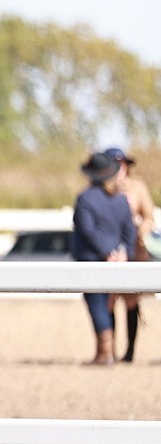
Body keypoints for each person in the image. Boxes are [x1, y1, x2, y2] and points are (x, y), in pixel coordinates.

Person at [72, 151, 136, 365]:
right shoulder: (120, 199)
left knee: (97, 303)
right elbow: (129, 230)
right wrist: (123, 252)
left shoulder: (85, 199)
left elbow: (88, 231)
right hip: (117, 261)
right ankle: (105, 351)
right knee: (106, 304)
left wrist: (107, 252)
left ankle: (105, 351)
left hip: (93, 259)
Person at [106, 147, 154, 362]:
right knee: (109, 300)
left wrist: (139, 231)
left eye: (122, 163)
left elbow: (149, 217)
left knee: (132, 301)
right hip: (109, 252)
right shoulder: (104, 188)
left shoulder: (137, 188)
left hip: (133, 250)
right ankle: (109, 349)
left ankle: (130, 351)